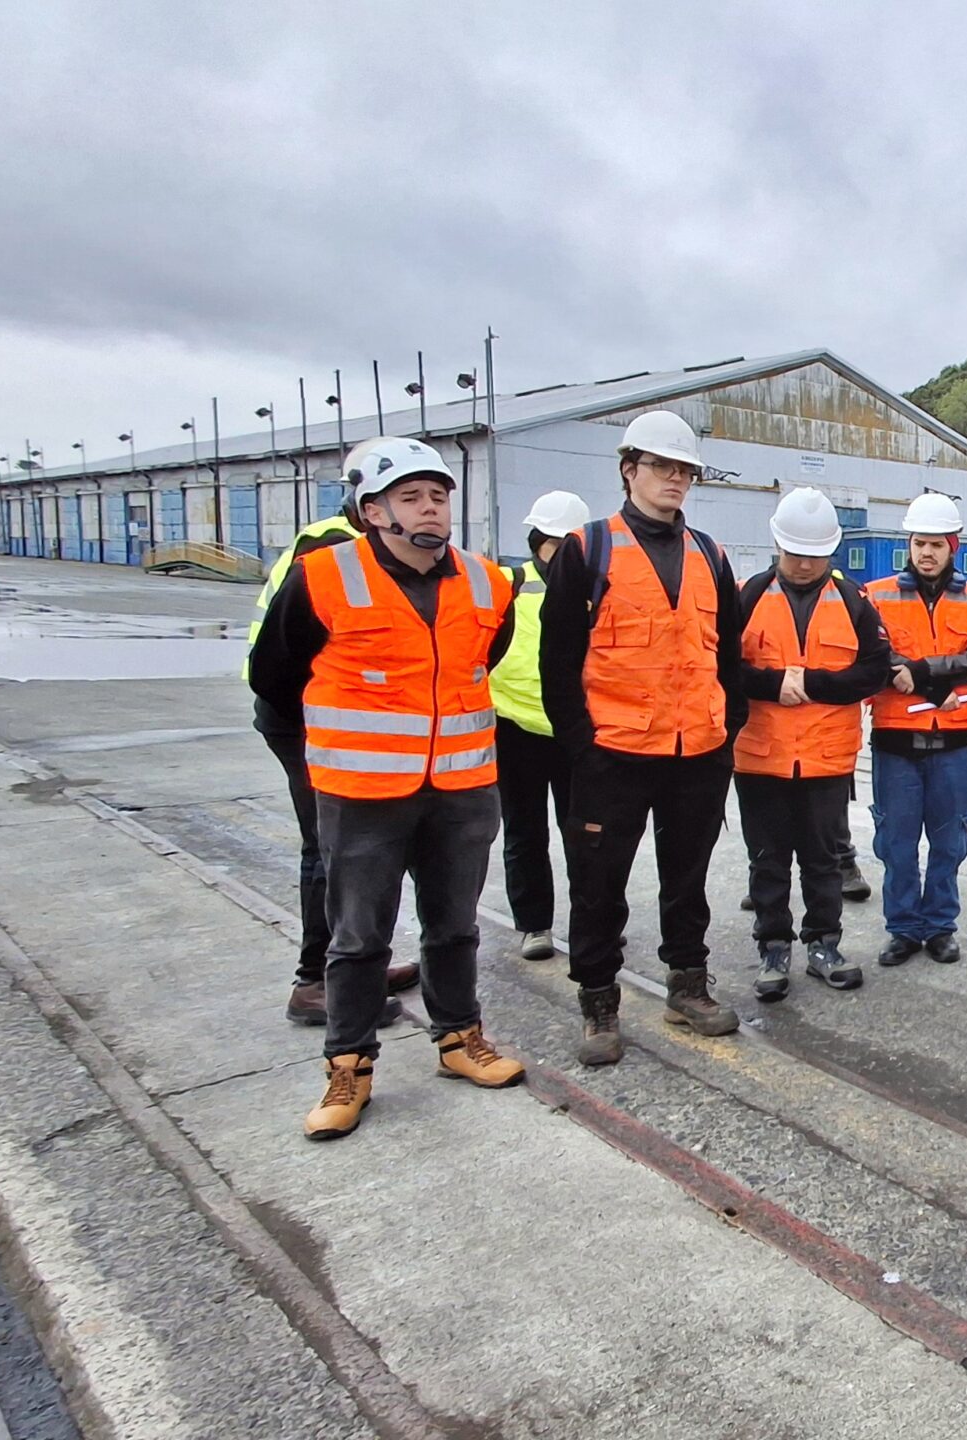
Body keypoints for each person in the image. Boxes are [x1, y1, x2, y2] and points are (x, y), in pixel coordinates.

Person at [246, 436, 529, 1139]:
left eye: (437, 496)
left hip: (460, 787)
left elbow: (482, 660)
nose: (429, 508)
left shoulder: (489, 582)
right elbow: (274, 676)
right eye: (410, 497)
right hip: (363, 792)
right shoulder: (322, 577)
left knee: (455, 925)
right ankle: (349, 1066)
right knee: (358, 935)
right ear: (372, 510)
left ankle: (460, 1039)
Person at [539, 410, 744, 1066]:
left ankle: (688, 985)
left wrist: (724, 729)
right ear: (630, 470)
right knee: (599, 885)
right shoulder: (588, 548)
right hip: (615, 757)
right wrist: (583, 746)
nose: (675, 480)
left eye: (684, 470)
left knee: (687, 881)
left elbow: (730, 656)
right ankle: (599, 1003)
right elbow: (557, 661)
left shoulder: (709, 555)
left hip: (697, 755)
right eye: (662, 467)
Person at [245, 457, 417, 1026]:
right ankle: (315, 980)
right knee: (330, 849)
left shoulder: (371, 549)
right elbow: (279, 660)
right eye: (402, 495)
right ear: (368, 501)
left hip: (338, 725)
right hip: (306, 725)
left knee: (363, 850)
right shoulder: (329, 551)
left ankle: (361, 963)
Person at [735, 489, 892, 1000]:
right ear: (777, 545)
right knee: (767, 859)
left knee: (825, 860)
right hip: (760, 758)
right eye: (794, 553)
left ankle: (824, 943)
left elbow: (874, 671)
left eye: (815, 554)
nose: (804, 564)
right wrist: (772, 683)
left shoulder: (854, 602)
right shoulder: (747, 596)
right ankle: (773, 948)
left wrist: (814, 684)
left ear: (832, 552)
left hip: (826, 759)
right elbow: (720, 667)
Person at [864, 492, 967, 970]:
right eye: (919, 543)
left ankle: (939, 926)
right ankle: (902, 928)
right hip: (896, 743)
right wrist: (932, 681)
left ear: (952, 545)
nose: (926, 553)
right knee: (896, 843)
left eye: (936, 544)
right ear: (909, 543)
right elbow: (874, 653)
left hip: (955, 745)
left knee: (948, 842)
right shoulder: (875, 595)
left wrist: (918, 672)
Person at [489, 489, 590, 962]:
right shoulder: (508, 585)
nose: (565, 553)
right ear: (538, 541)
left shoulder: (595, 588)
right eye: (557, 542)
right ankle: (534, 925)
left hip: (575, 729)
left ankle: (593, 920)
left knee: (586, 834)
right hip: (515, 729)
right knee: (525, 833)